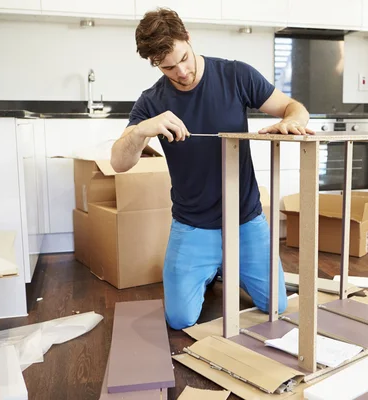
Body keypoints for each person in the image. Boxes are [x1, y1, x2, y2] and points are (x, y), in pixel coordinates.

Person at [110, 7, 315, 330]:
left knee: (276, 305)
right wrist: (141, 130)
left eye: (183, 58)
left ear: (188, 38)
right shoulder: (151, 101)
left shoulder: (236, 75)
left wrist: (292, 121)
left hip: (245, 220)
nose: (181, 72)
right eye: (168, 67)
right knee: (179, 319)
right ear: (155, 64)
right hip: (192, 226)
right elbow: (119, 162)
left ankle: (231, 268)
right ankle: (212, 269)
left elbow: (294, 107)